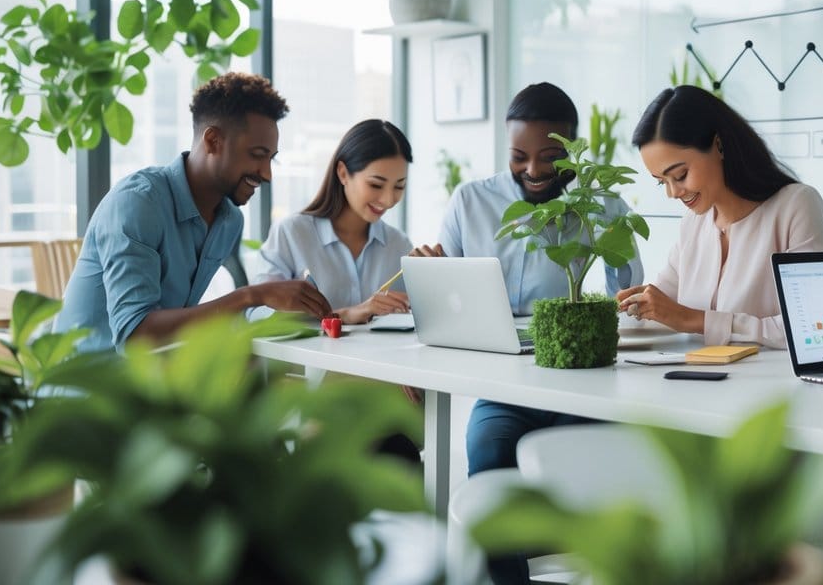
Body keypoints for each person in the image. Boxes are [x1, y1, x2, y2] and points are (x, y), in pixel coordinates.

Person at [412, 82, 643, 585]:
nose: (534, 171)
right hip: (503, 392)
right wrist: (431, 275)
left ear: (574, 149)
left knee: (579, 469)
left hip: (584, 387)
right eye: (519, 156)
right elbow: (445, 297)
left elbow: (633, 303)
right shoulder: (471, 201)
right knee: (489, 452)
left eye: (549, 157)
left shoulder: (602, 207)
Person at [57, 72, 331, 353]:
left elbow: (195, 321)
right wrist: (253, 295)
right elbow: (135, 334)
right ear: (212, 141)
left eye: (271, 159)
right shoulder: (138, 203)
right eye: (257, 155)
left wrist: (279, 307)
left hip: (151, 377)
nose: (267, 174)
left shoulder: (229, 220)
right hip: (84, 387)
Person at [617, 85, 823, 348]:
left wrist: (696, 320)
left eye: (680, 175)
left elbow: (812, 325)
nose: (673, 193)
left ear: (719, 144)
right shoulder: (693, 224)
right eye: (661, 182)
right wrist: (638, 306)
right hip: (693, 383)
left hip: (774, 387)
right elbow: (664, 308)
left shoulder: (796, 205)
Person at [251, 119, 413, 326]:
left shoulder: (399, 245)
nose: (388, 200)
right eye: (376, 184)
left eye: (399, 187)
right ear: (343, 173)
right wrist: (343, 315)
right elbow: (258, 316)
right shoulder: (292, 233)